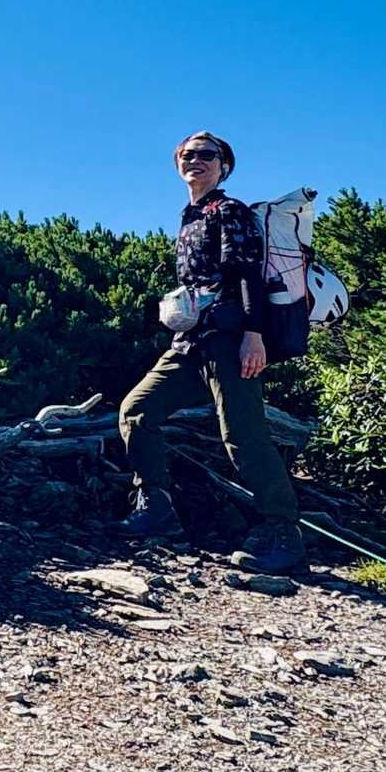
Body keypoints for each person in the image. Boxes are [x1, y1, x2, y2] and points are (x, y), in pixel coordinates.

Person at [117, 132, 306, 575]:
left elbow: (246, 276)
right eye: (187, 154)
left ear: (224, 166)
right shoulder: (190, 217)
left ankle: (282, 533)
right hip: (189, 343)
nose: (195, 160)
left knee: (242, 434)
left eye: (207, 154)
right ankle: (156, 508)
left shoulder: (228, 210)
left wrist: (253, 335)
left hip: (229, 338)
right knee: (137, 411)